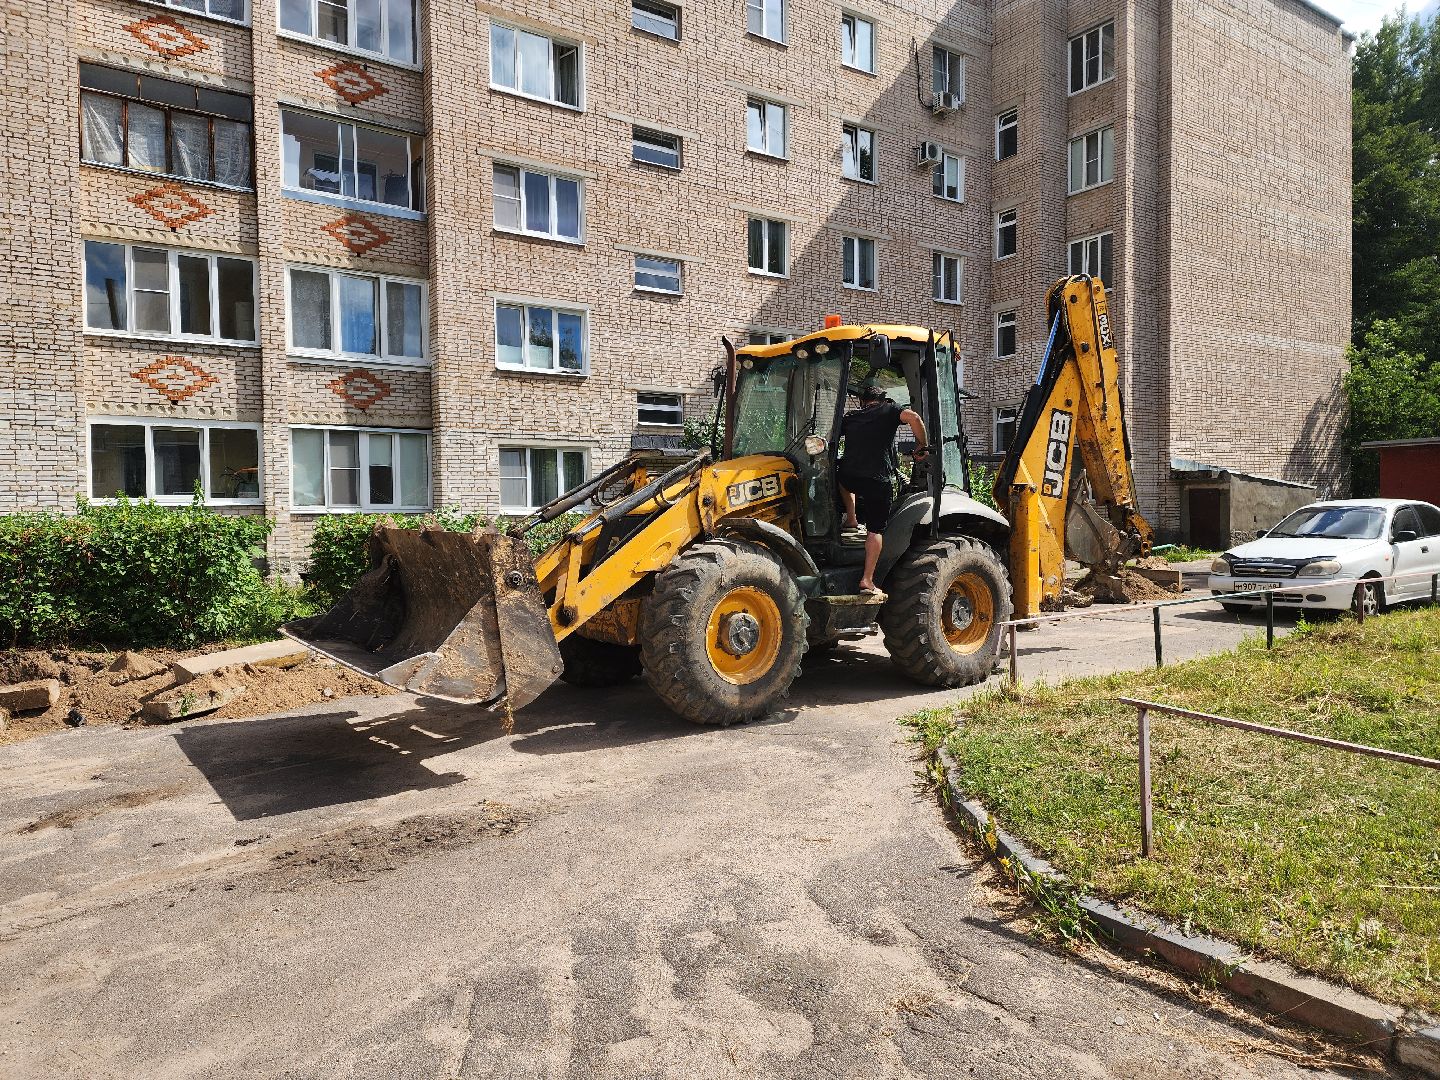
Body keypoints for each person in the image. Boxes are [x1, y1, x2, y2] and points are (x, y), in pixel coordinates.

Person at [838, 383, 928, 595]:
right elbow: (914, 418)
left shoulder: (852, 416)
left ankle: (851, 519)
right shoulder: (890, 409)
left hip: (850, 476)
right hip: (877, 480)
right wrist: (921, 445)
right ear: (883, 399)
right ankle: (867, 580)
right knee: (875, 530)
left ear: (863, 401)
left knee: (841, 478)